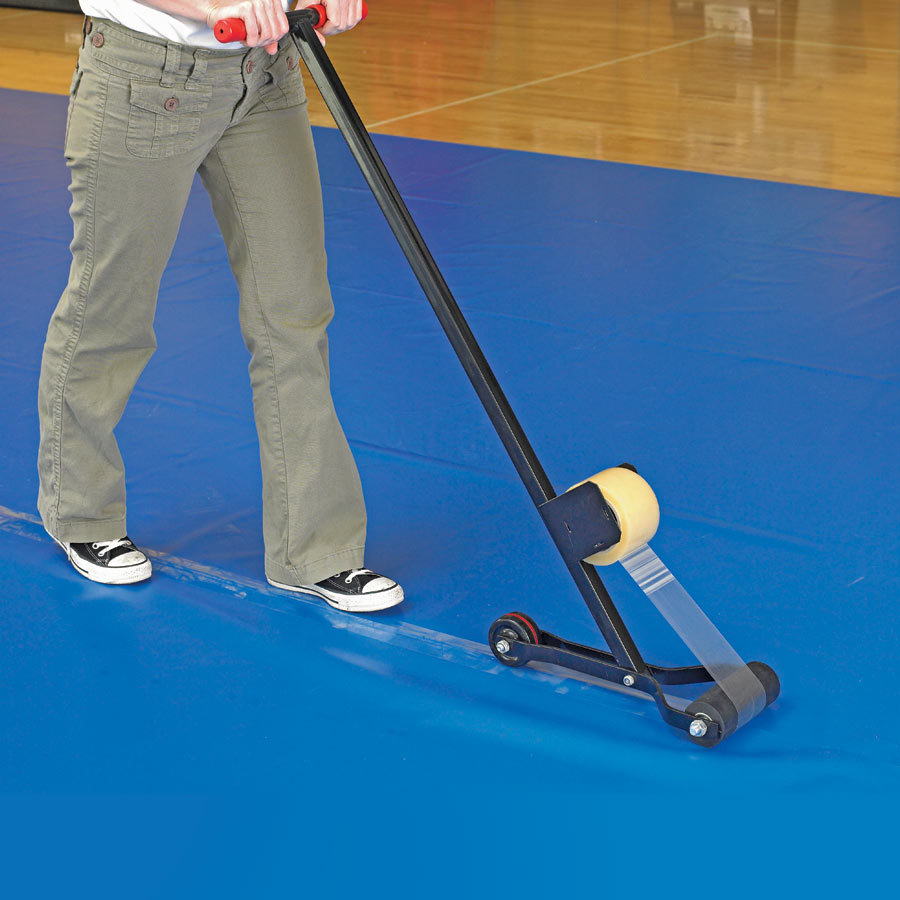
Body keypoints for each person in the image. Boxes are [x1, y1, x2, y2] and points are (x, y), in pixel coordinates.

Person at [37, 0, 404, 613]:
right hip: (143, 81)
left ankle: (315, 550)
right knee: (111, 310)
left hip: (264, 73)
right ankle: (82, 511)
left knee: (295, 314)